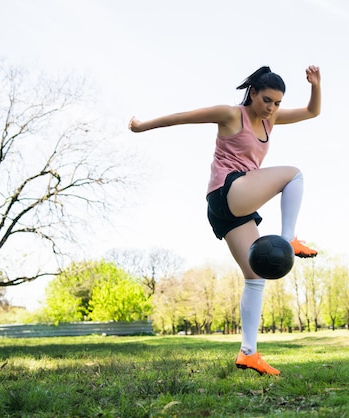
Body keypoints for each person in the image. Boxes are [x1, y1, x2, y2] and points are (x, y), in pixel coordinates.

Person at [129, 65, 321, 376]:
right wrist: (142, 126)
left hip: (229, 208)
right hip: (228, 190)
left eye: (277, 103)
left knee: (255, 276)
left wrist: (316, 84)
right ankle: (289, 238)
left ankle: (248, 353)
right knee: (293, 175)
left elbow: (313, 112)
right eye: (267, 100)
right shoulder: (232, 115)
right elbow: (182, 117)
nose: (271, 108)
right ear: (253, 93)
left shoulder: (270, 120)